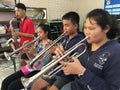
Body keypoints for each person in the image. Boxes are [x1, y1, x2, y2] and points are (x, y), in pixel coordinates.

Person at [57, 9, 120, 90]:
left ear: (106, 29)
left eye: (91, 28)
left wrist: (82, 72)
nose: (86, 32)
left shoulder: (116, 51)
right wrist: (64, 58)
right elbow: (73, 72)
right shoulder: (83, 45)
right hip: (75, 86)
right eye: (85, 28)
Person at [31, 11, 84, 90]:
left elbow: (77, 61)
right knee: (34, 87)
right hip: (55, 71)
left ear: (75, 26)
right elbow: (54, 56)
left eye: (67, 25)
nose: (64, 28)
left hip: (67, 75)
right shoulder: (64, 38)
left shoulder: (80, 40)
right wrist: (52, 51)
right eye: (63, 25)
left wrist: (61, 53)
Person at [1, 23, 52, 90]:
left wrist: (35, 53)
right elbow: (32, 59)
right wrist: (27, 50)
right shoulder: (38, 43)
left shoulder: (51, 44)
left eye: (40, 32)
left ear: (46, 33)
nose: (38, 34)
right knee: (5, 81)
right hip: (30, 67)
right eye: (37, 32)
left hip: (38, 70)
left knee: (12, 87)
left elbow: (44, 63)